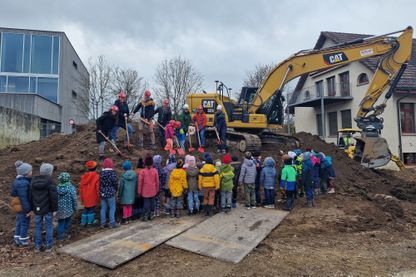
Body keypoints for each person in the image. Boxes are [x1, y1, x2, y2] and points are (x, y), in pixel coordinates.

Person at [30, 163, 57, 253]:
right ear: (50, 172)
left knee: (38, 226)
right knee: (49, 226)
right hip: (48, 209)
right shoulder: (51, 182)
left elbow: (30, 196)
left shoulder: (33, 181)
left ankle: (37, 246)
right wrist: (54, 209)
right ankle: (48, 246)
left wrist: (32, 208)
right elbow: (53, 197)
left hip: (37, 209)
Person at [11, 161, 33, 247]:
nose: (32, 172)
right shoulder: (24, 183)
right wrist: (28, 210)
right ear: (26, 173)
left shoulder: (18, 181)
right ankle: (24, 240)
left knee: (19, 222)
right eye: (30, 171)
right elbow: (24, 199)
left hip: (18, 206)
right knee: (24, 223)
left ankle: (17, 238)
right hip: (23, 207)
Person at [137, 155, 159, 221]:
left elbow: (140, 182)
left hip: (145, 191)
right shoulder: (155, 171)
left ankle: (145, 215)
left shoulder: (142, 171)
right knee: (152, 203)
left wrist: (139, 191)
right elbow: (157, 181)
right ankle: (151, 214)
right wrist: (157, 189)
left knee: (146, 203)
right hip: (153, 190)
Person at [56, 172, 77, 241]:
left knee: (61, 222)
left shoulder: (57, 188)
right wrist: (75, 207)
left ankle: (60, 236)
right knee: (67, 221)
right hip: (69, 208)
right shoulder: (71, 188)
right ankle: (65, 234)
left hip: (59, 209)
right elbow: (74, 199)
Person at [99, 158, 119, 228]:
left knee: (103, 208)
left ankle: (103, 223)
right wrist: (116, 190)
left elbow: (99, 184)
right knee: (112, 208)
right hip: (111, 193)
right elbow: (115, 183)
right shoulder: (112, 173)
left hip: (102, 193)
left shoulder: (101, 173)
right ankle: (112, 222)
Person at [79, 161, 100, 227]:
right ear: (96, 168)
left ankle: (83, 222)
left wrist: (81, 197)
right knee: (91, 209)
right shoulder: (97, 176)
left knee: (85, 209)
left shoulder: (83, 177)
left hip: (84, 196)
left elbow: (81, 188)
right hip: (93, 196)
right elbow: (97, 188)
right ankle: (90, 222)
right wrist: (99, 197)